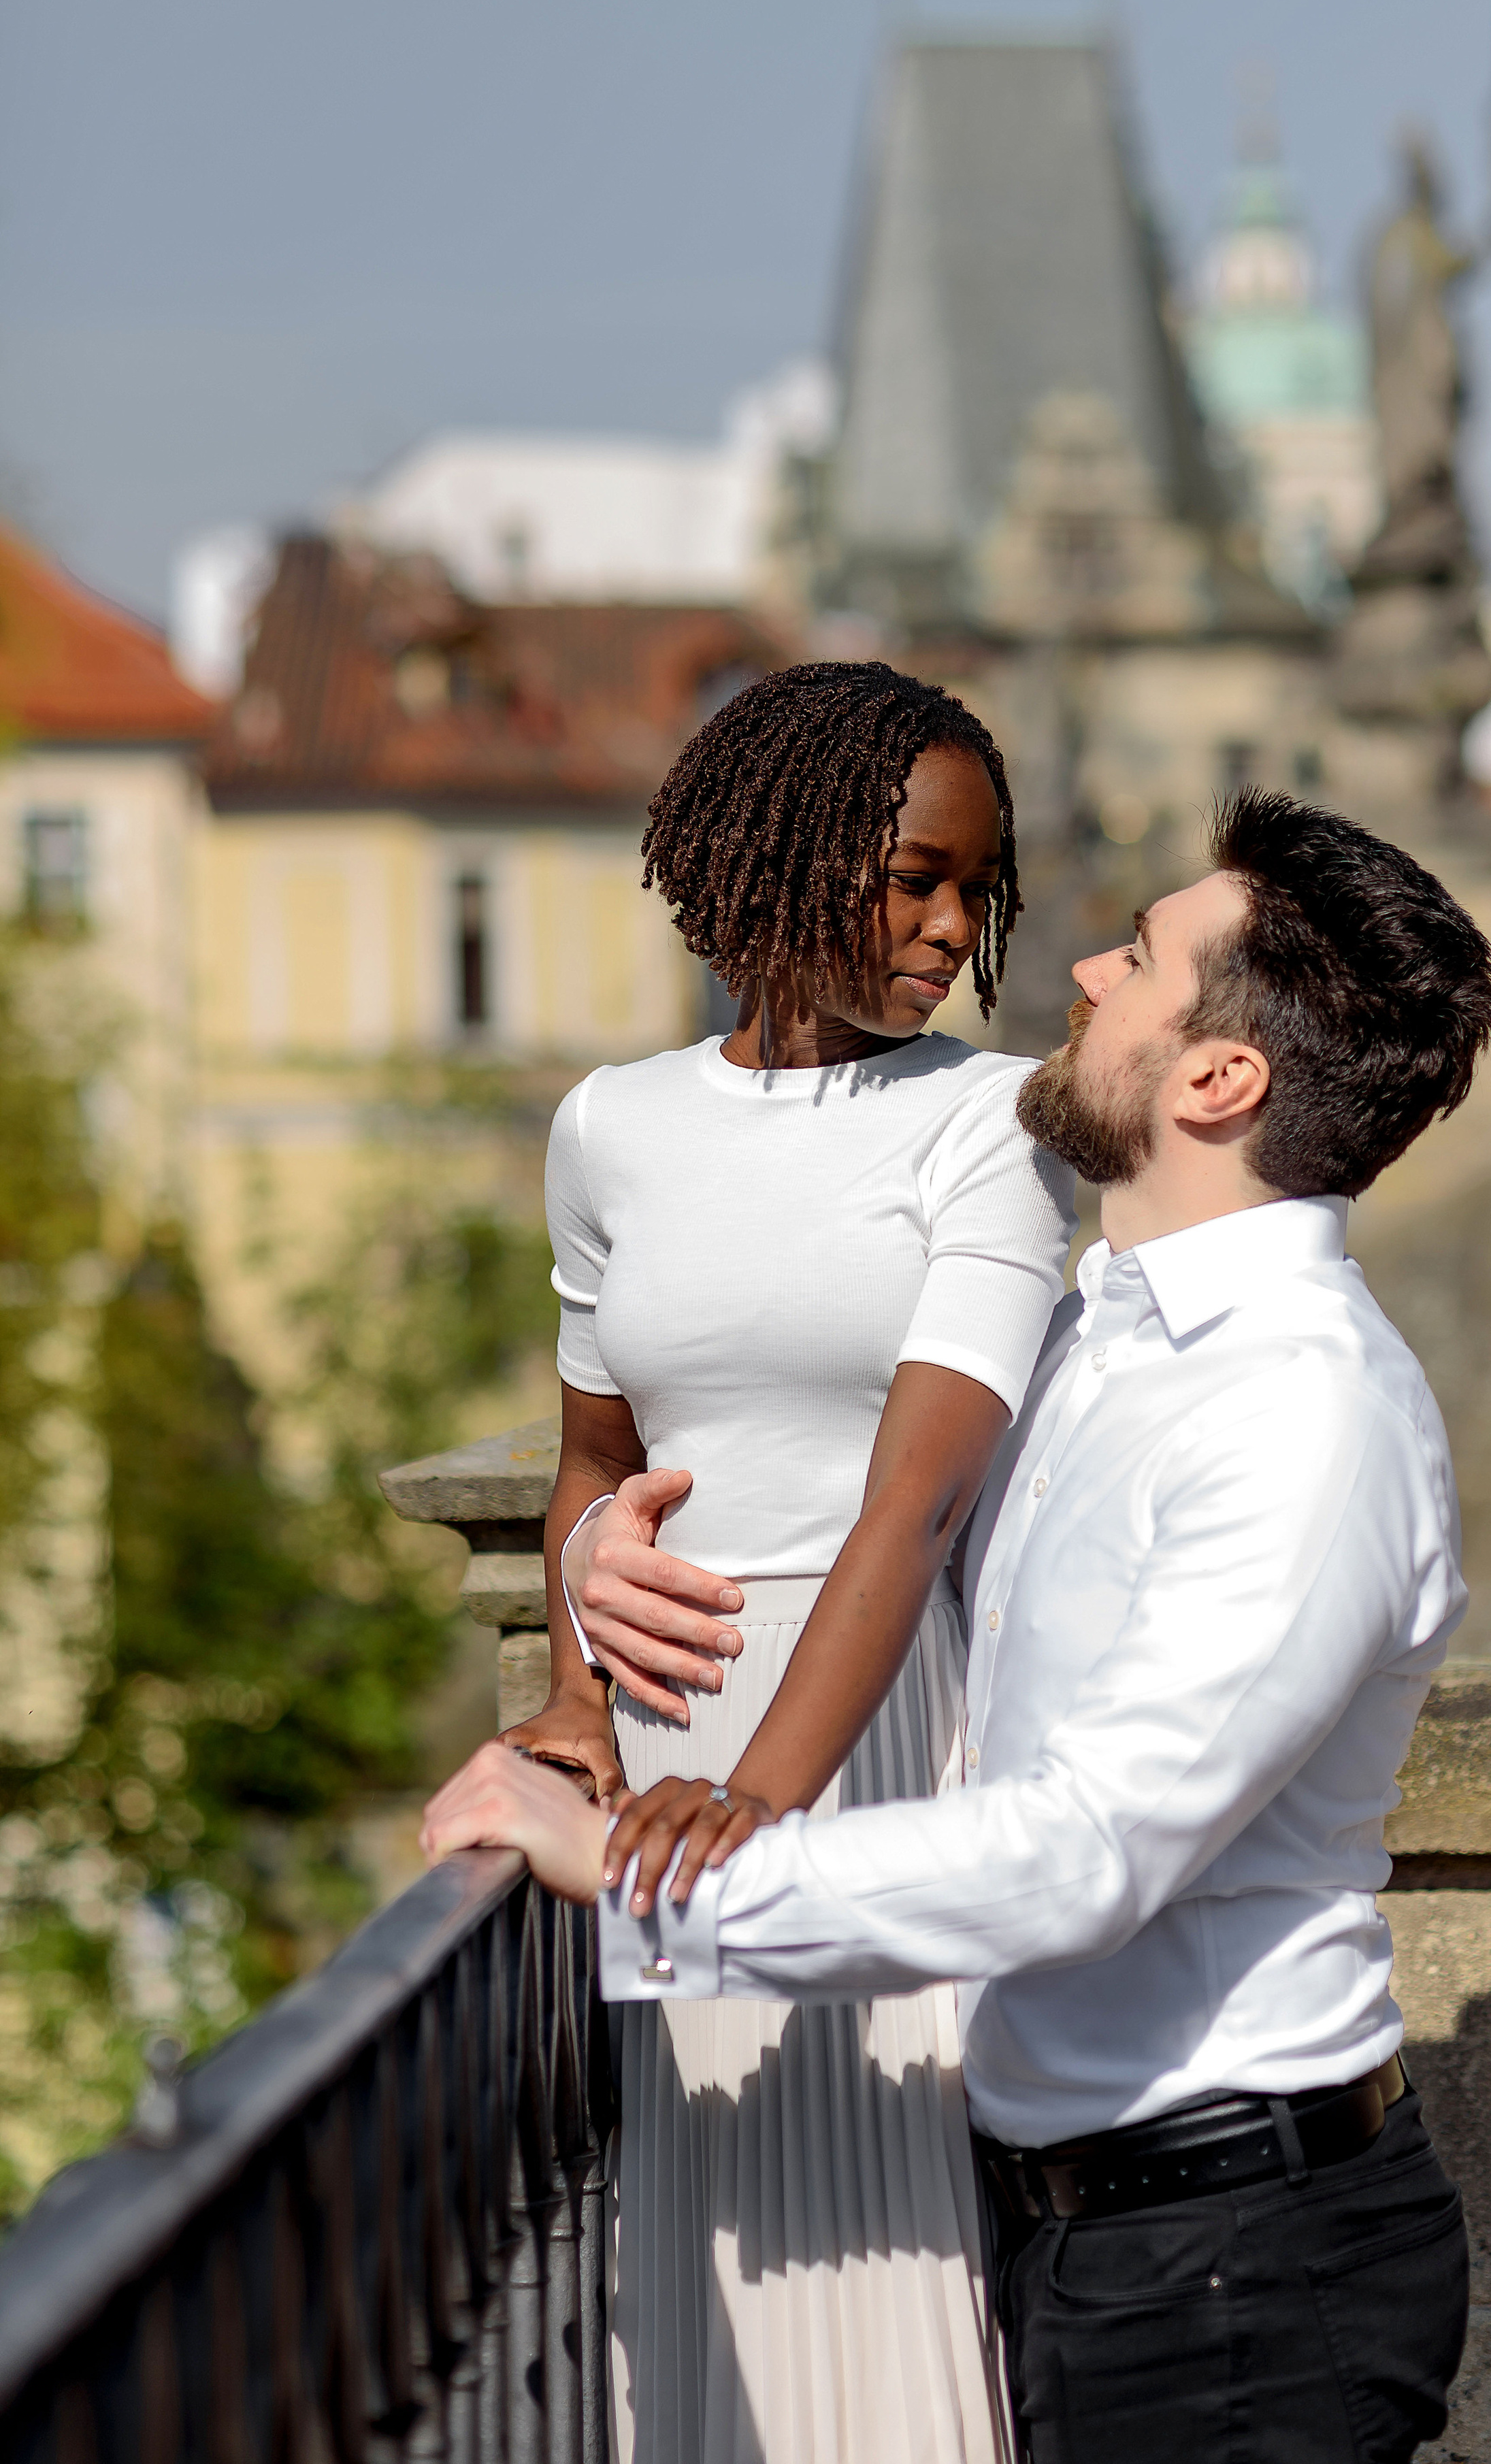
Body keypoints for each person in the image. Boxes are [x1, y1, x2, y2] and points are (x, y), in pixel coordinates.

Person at [425, 787, 1491, 2464]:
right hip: (1085, 2229)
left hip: (1230, 2269)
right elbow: (847, 1535)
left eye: (1135, 961)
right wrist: (602, 1571)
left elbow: (1088, 1852)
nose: (1072, 967)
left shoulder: (1305, 1416)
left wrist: (633, 1870)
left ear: (1218, 1079)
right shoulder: (1097, 1348)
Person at [499, 659, 1075, 2464]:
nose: (950, 923)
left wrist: (756, 1806)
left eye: (976, 889)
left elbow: (910, 1499)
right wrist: (579, 1702)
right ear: (788, 851)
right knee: (704, 2315)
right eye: (915, 875)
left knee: (909, 2330)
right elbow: (600, 1464)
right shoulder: (611, 1127)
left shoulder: (995, 1122)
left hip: (877, 1758)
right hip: (675, 1788)